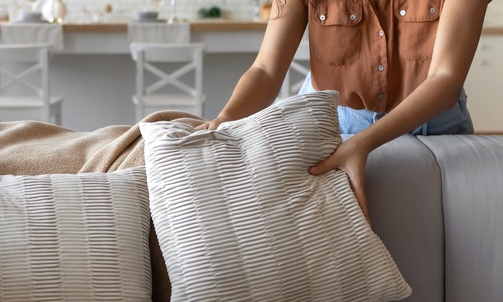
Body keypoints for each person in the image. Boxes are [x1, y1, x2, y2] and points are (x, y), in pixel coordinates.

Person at [198, 0, 490, 220]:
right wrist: (227, 118)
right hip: (335, 121)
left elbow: (445, 79)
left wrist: (361, 144)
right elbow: (266, 70)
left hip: (431, 126)